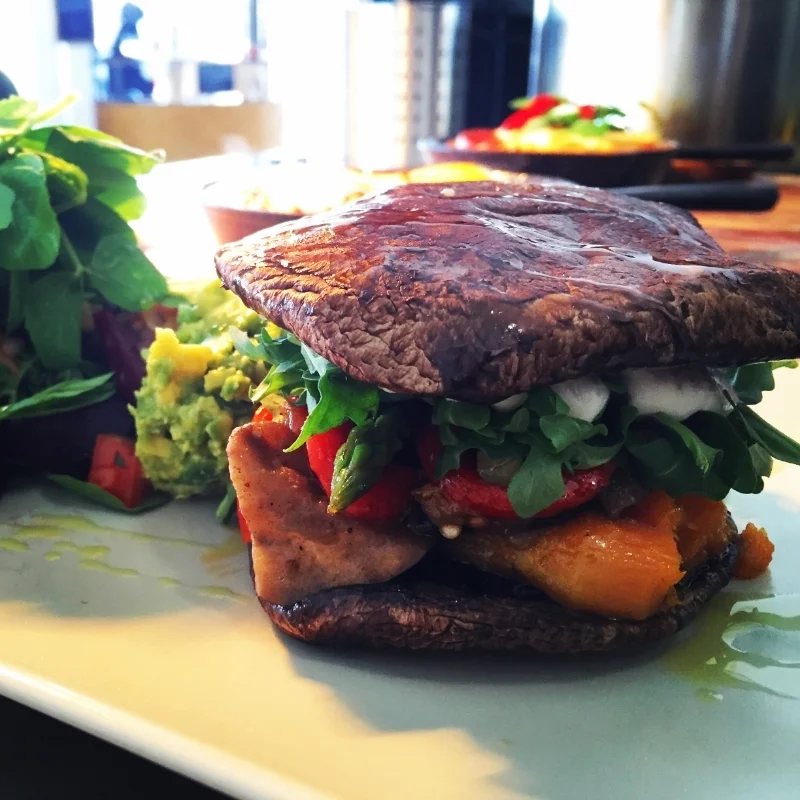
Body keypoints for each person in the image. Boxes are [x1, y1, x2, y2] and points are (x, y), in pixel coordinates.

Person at [108, 3, 154, 101]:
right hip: (124, 75)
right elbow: (121, 54)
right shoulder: (126, 30)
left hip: (132, 71)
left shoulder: (132, 29)